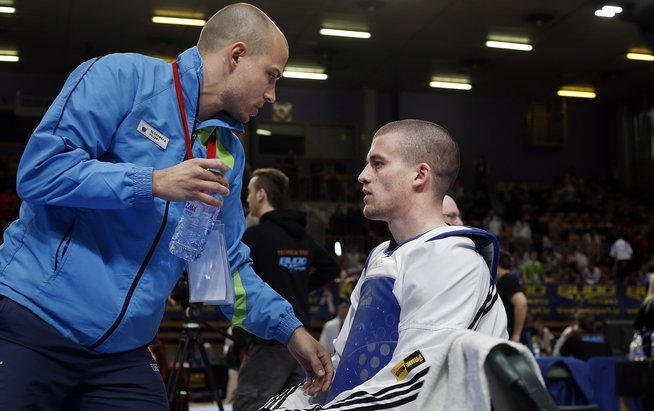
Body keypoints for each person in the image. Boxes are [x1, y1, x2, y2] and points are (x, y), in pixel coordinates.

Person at [0, 4, 333, 410]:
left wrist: (288, 329)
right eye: (271, 76)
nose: (272, 94)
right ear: (237, 55)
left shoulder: (226, 153)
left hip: (123, 352)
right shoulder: (121, 78)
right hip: (36, 321)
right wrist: (152, 182)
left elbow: (219, 268)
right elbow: (40, 172)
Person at [260, 119, 508, 410]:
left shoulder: (455, 259)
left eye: (377, 164)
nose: (363, 176)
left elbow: (415, 376)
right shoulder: (381, 256)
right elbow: (342, 366)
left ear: (420, 174)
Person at [233, 168, 340, 411]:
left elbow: (237, 281)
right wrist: (301, 288)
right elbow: (331, 266)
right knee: (292, 406)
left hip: (269, 338)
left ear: (261, 194)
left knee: (250, 403)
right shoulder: (302, 237)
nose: (247, 198)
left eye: (249, 192)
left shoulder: (256, 236)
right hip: (301, 337)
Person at [496, 250, 528, 343]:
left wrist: (516, 335)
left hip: (512, 341)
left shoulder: (506, 280)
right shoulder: (508, 279)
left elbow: (521, 303)